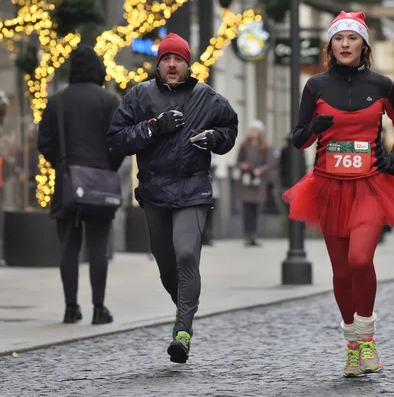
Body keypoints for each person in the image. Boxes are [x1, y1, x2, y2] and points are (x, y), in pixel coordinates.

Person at [282, 11, 394, 377]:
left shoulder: (382, 84)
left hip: (372, 183)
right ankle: (353, 346)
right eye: (338, 38)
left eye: (352, 38)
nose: (345, 44)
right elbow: (299, 140)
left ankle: (368, 337)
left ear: (364, 45)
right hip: (328, 185)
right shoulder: (315, 86)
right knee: (342, 272)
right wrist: (315, 126)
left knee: (361, 260)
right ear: (330, 45)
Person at [107, 33, 238, 364]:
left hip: (192, 189)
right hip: (154, 191)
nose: (172, 64)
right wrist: (153, 127)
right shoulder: (139, 95)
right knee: (166, 264)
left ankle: (183, 330)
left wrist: (215, 138)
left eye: (178, 59)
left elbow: (230, 128)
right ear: (158, 64)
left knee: (184, 255)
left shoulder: (207, 97)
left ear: (188, 64)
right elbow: (117, 139)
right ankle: (185, 305)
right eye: (166, 59)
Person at [37, 45, 124, 325]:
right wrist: (108, 166)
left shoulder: (56, 101)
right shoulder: (109, 101)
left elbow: (44, 144)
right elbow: (120, 142)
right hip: (100, 182)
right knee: (98, 246)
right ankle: (99, 308)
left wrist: (63, 165)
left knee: (69, 246)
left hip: (67, 183)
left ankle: (70, 308)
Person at [235, 120, 271, 246]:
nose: (253, 133)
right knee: (246, 210)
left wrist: (259, 170)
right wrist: (243, 166)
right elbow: (238, 161)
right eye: (252, 130)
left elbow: (268, 163)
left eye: (256, 131)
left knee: (255, 211)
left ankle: (253, 235)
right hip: (246, 182)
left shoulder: (264, 146)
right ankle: (246, 235)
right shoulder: (244, 145)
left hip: (257, 182)